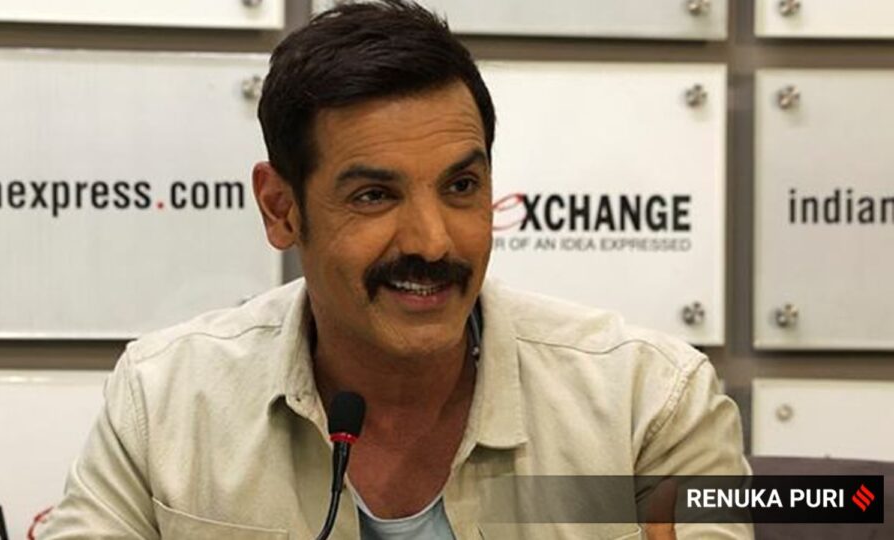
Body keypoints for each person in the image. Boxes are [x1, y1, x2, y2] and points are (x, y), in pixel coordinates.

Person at [38, 1, 750, 538]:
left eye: (461, 186)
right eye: (374, 196)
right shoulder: (165, 401)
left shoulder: (650, 404)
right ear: (282, 209)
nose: (432, 242)